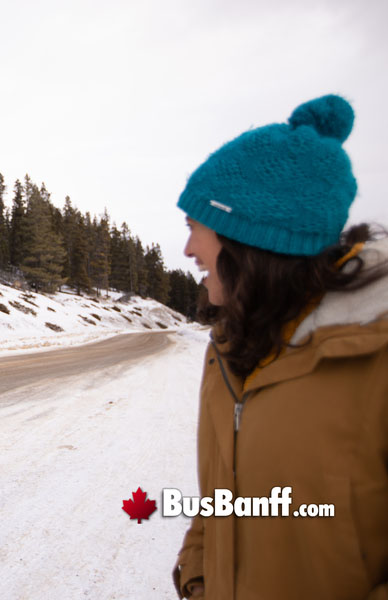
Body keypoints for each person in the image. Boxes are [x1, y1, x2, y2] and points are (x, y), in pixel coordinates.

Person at [172, 95, 388, 599]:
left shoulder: (374, 355)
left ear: (247, 237)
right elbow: (222, 500)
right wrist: (198, 572)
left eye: (194, 228)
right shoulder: (225, 353)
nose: (188, 251)